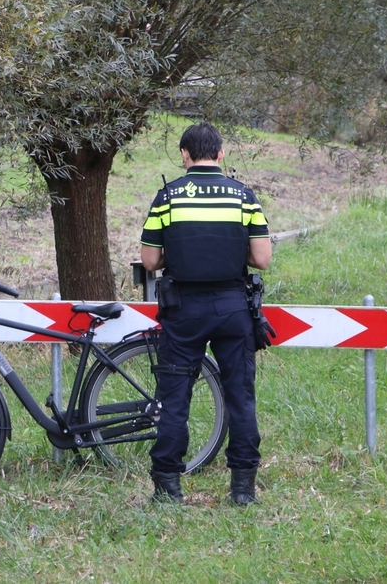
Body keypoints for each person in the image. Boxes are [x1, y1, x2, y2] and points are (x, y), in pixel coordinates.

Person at [140, 122, 272, 505]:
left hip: (183, 310)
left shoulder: (167, 197)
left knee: (174, 399)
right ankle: (243, 490)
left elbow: (150, 261)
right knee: (240, 398)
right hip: (233, 308)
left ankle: (168, 488)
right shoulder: (244, 196)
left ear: (184, 154)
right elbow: (262, 258)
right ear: (221, 154)